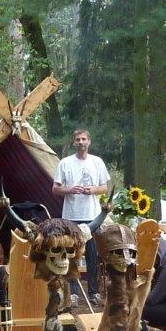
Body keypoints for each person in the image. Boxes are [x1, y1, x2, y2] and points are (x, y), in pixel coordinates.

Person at [52, 128, 110, 304]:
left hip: (92, 216)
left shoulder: (97, 162)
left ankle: (93, 292)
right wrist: (70, 189)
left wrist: (92, 190)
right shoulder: (65, 163)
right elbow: (55, 188)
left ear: (89, 142)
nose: (81, 142)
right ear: (73, 142)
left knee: (92, 254)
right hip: (71, 216)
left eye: (84, 139)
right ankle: (74, 293)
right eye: (77, 139)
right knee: (72, 255)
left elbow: (104, 187)